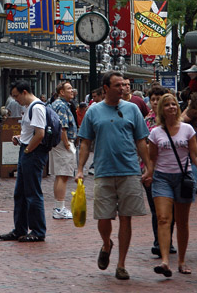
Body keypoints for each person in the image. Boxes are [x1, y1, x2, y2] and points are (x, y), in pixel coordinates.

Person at [76, 71, 151, 281]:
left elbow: (141, 140)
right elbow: (85, 142)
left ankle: (121, 264)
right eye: (117, 85)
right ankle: (107, 243)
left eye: (124, 85)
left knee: (126, 217)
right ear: (106, 88)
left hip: (129, 170)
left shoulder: (133, 109)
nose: (123, 88)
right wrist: (80, 168)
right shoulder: (93, 111)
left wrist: (148, 167)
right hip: (103, 170)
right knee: (103, 217)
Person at [145, 93, 197, 277]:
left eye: (173, 104)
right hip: (162, 179)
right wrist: (148, 173)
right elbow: (152, 158)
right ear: (161, 109)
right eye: (167, 105)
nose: (171, 107)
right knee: (163, 219)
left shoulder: (188, 129)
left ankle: (181, 261)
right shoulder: (155, 133)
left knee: (182, 222)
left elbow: (194, 156)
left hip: (183, 178)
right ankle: (165, 261)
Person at [0, 79, 48, 242]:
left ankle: (38, 230)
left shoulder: (37, 107)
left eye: (16, 95)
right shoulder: (29, 108)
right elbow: (32, 133)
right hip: (27, 150)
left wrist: (27, 149)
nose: (15, 99)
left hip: (32, 153)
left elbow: (40, 134)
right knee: (20, 193)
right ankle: (20, 228)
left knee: (32, 193)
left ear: (25, 92)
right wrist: (21, 139)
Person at [143, 85, 176, 257]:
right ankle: (160, 241)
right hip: (152, 171)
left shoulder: (176, 123)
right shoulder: (146, 121)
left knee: (171, 210)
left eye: (158, 99)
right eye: (152, 99)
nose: (154, 103)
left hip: (172, 170)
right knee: (156, 209)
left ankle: (167, 240)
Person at [50, 81, 77, 220]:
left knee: (60, 175)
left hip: (58, 144)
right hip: (62, 143)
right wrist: (67, 144)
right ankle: (59, 208)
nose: (72, 90)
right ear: (61, 92)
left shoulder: (58, 104)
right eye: (68, 88)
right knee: (63, 175)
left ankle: (58, 206)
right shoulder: (61, 106)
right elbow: (62, 127)